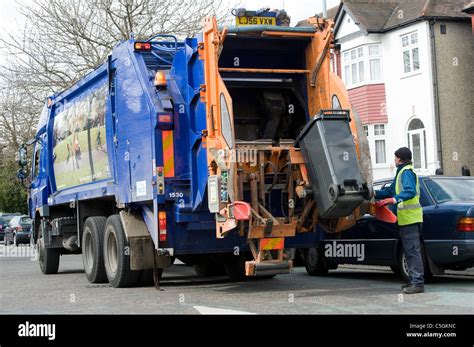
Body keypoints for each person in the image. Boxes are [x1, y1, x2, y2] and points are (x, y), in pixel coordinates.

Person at [375, 147, 424, 294]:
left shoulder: (406, 172)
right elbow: (390, 191)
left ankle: (417, 283)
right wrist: (374, 193)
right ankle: (414, 281)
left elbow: (409, 191)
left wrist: (392, 200)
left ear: (400, 159)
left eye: (395, 157)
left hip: (410, 218)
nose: (394, 160)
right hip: (407, 219)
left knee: (412, 251)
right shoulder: (401, 172)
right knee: (409, 251)